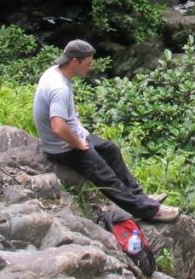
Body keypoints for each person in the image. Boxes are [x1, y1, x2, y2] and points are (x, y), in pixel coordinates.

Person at [33, 39, 179, 222]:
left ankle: (141, 196)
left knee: (111, 149)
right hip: (64, 147)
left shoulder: (55, 72)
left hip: (74, 136)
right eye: (88, 63)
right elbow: (58, 126)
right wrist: (78, 144)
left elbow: (65, 112)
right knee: (105, 175)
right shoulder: (58, 87)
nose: (91, 67)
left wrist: (78, 126)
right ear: (75, 61)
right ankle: (147, 211)